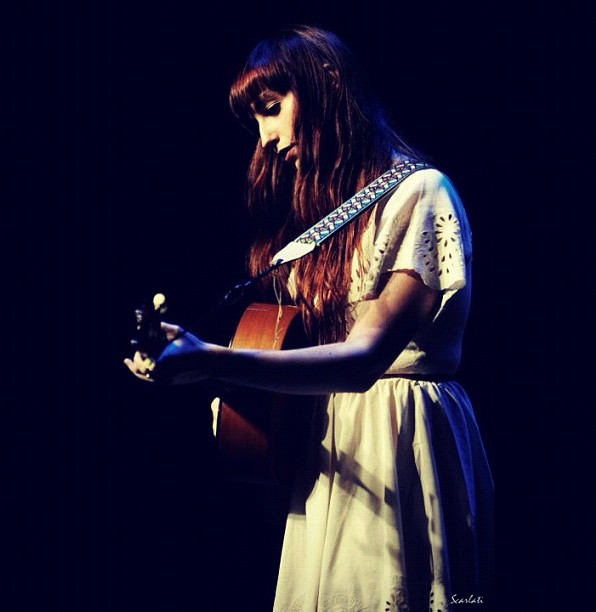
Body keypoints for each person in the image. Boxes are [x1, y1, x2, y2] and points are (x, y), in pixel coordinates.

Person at [125, 24, 494, 612]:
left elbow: (364, 359)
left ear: (326, 83)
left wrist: (214, 359)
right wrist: (209, 371)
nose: (266, 139)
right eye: (255, 122)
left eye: (272, 109)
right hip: (332, 449)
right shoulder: (325, 221)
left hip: (403, 440)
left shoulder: (421, 193)